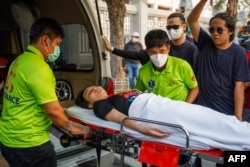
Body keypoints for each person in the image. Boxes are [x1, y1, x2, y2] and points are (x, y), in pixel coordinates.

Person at [0, 17, 88, 167]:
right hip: (30, 145)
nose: (56, 50)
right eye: (57, 44)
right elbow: (53, 112)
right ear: (45, 40)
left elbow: (26, 98)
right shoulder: (39, 68)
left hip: (8, 139)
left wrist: (63, 110)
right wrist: (72, 128)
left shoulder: (19, 61)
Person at [76, 85, 250, 151]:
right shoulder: (100, 105)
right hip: (151, 112)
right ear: (89, 105)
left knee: (211, 118)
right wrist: (141, 128)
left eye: (94, 86)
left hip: (161, 104)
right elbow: (119, 118)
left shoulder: (117, 95)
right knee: (211, 123)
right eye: (88, 91)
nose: (94, 88)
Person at [187, 0, 250, 121]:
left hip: (225, 113)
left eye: (220, 30)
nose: (215, 33)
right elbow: (192, 20)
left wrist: (237, 118)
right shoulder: (205, 43)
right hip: (200, 111)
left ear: (230, 31)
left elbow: (239, 86)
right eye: (212, 30)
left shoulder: (238, 53)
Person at [102, 12, 199, 72]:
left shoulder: (192, 49)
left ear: (184, 26)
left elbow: (196, 76)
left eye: (175, 27)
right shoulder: (162, 45)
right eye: (168, 27)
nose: (171, 30)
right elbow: (137, 55)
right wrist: (112, 49)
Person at [135, 29, 198, 103]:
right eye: (153, 52)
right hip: (157, 111)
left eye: (162, 51)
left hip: (179, 110)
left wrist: (185, 106)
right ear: (147, 51)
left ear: (168, 49)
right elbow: (137, 92)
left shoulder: (182, 65)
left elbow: (194, 88)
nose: (158, 56)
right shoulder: (143, 71)